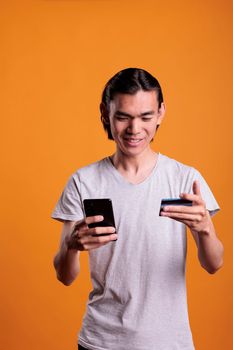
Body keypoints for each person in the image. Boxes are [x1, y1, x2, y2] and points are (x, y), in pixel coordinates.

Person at [51, 68, 224, 350]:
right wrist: (71, 247)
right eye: (123, 117)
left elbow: (213, 264)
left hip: (170, 342)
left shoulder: (184, 178)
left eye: (145, 117)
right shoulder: (84, 181)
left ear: (160, 114)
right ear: (106, 114)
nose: (135, 129)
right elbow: (65, 276)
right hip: (100, 341)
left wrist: (205, 229)